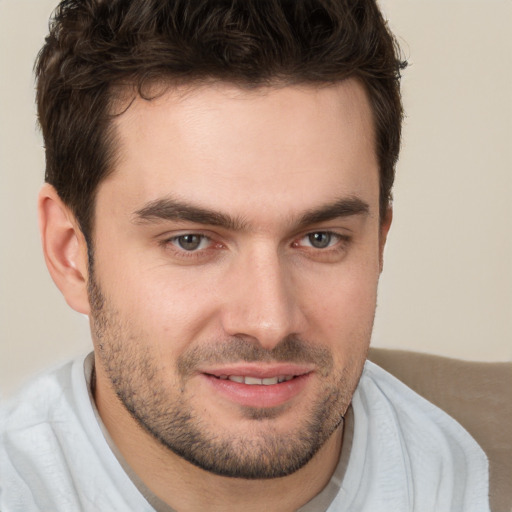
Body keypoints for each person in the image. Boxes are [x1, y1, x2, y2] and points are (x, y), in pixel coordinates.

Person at [0, 0, 490, 510]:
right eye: (190, 241)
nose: (269, 322)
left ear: (379, 243)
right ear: (70, 253)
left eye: (320, 239)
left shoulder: (468, 474)